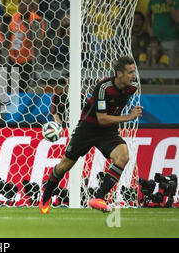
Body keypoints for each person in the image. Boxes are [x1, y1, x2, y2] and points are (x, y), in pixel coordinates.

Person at [39, 56, 143, 214]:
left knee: (123, 156)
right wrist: (129, 117)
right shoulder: (103, 87)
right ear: (119, 74)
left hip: (108, 131)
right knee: (64, 166)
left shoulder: (132, 87)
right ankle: (46, 194)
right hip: (88, 128)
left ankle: (99, 198)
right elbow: (101, 118)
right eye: (130, 72)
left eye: (133, 72)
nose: (133, 76)